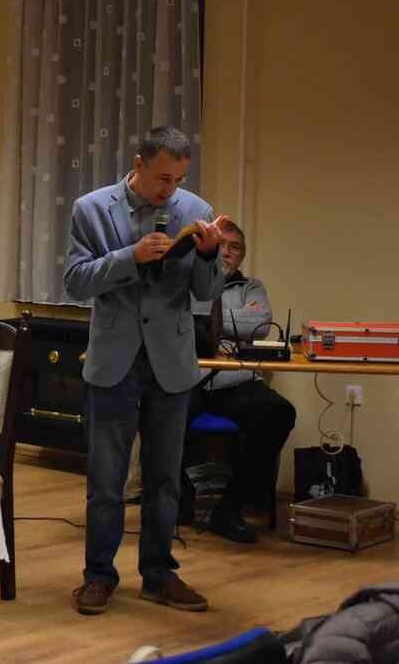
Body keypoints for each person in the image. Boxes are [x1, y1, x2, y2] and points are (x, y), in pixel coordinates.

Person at [63, 126, 226, 615]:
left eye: (178, 180)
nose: (169, 190)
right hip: (114, 359)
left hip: (170, 362)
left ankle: (159, 575)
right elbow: (76, 281)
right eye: (162, 178)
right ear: (139, 164)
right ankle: (98, 577)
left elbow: (206, 293)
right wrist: (128, 258)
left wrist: (209, 255)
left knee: (165, 479)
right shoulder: (92, 209)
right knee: (106, 480)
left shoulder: (195, 211)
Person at [192, 221, 297, 543]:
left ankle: (229, 509)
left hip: (235, 382)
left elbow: (261, 325)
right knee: (155, 411)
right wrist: (235, 320)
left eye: (234, 247)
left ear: (241, 256)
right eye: (220, 244)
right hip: (188, 381)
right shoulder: (188, 282)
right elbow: (178, 320)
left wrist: (207, 320)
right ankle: (177, 502)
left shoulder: (252, 287)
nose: (226, 251)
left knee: (279, 412)